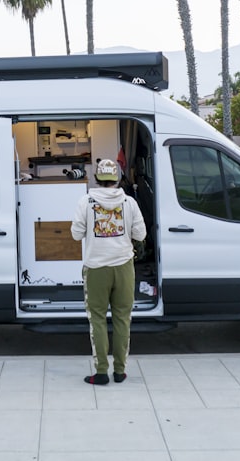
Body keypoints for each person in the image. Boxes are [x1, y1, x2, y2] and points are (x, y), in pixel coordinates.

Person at [71, 157, 147, 385]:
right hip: (123, 266)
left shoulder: (85, 201)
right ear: (118, 178)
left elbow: (76, 234)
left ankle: (102, 372)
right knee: (123, 319)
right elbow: (141, 234)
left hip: (96, 269)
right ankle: (121, 371)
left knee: (98, 320)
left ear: (96, 178)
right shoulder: (129, 203)